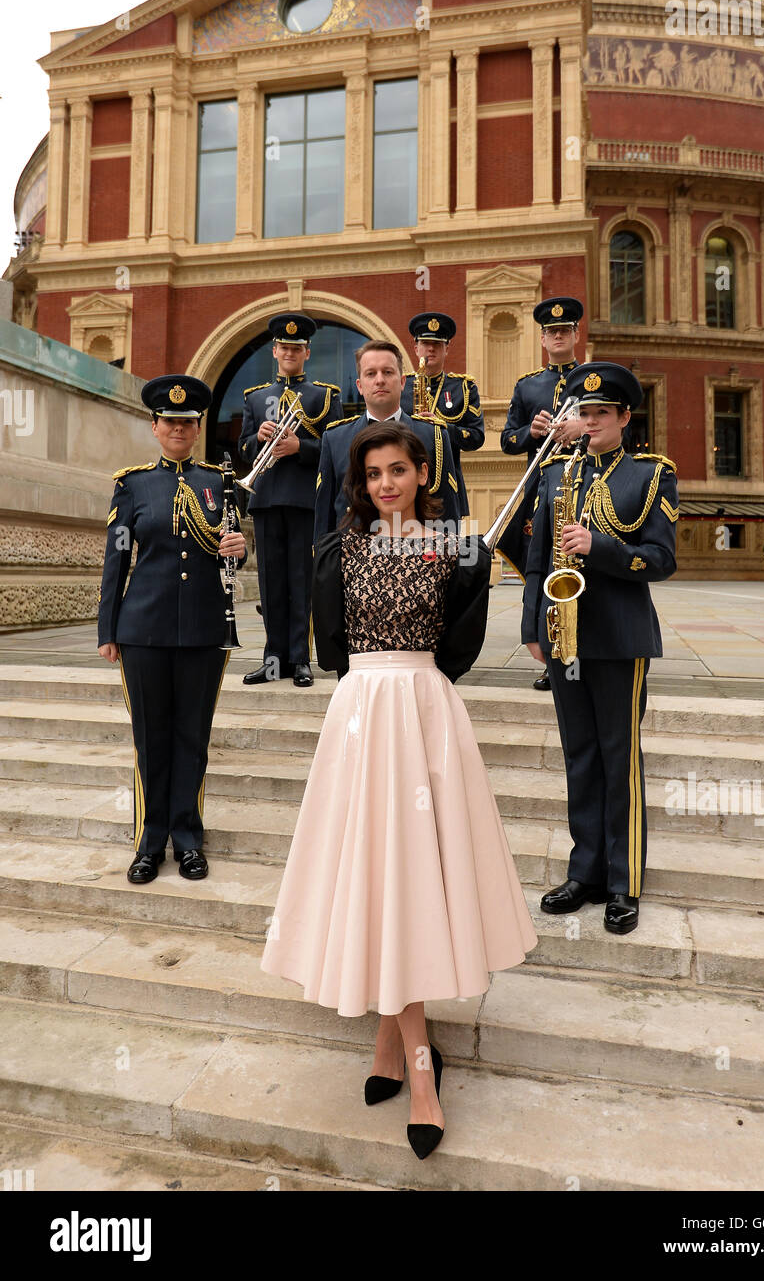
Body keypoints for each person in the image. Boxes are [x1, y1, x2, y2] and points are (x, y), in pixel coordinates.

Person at [261, 422, 536, 1159]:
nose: (385, 483)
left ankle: (411, 1064)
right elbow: (328, 649)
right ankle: (410, 1059)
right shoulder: (337, 549)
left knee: (414, 872)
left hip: (424, 712)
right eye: (373, 472)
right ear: (362, 480)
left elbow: (459, 648)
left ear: (423, 471)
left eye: (398, 470)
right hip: (359, 716)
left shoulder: (459, 547)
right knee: (380, 872)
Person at [521, 362, 678, 935]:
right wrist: (532, 628)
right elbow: (537, 561)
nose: (590, 422)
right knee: (579, 755)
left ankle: (622, 882)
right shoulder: (555, 473)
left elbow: (661, 560)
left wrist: (602, 546)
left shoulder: (650, 473)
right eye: (583, 414)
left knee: (618, 757)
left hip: (617, 635)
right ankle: (583, 870)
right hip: (563, 634)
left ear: (624, 417)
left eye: (601, 414)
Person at [97, 375, 247, 885]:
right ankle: (149, 841)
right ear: (155, 426)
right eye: (170, 421)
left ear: (198, 427)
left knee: (192, 739)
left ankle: (187, 840)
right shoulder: (133, 484)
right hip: (143, 630)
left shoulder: (219, 482)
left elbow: (231, 550)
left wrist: (239, 552)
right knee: (150, 740)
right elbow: (116, 560)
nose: (178, 428)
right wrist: (107, 628)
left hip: (205, 632)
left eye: (188, 422)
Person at [239, 313, 342, 687]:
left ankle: (299, 658)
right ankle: (272, 659)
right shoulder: (255, 397)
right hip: (265, 498)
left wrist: (300, 446)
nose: (290, 353)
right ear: (275, 351)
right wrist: (258, 440)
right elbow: (243, 446)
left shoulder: (323, 395)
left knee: (300, 581)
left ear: (307, 352)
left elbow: (333, 449)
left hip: (303, 501)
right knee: (271, 583)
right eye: (284, 348)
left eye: (297, 349)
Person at [499, 297, 584, 689]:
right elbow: (507, 441)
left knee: (576, 569)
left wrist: (582, 429)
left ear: (575, 334)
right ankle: (549, 657)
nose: (558, 336)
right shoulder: (528, 385)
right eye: (551, 332)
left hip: (586, 488)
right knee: (539, 571)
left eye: (564, 330)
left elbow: (623, 433)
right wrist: (530, 433)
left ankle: (578, 654)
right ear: (543, 338)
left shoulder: (594, 379)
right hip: (539, 492)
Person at [313, 339, 462, 541]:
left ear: (402, 382)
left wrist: (448, 561)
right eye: (371, 373)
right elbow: (325, 517)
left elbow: (447, 510)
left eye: (388, 372)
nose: (380, 380)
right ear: (360, 385)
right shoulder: (335, 438)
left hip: (416, 557)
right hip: (352, 561)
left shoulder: (433, 435)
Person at [399, 311, 485, 520]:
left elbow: (476, 437)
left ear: (447, 348)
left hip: (446, 489)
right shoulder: (400, 386)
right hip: (402, 486)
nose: (430, 348)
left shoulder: (463, 387)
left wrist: (444, 427)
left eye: (437, 344)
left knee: (445, 551)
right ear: (415, 347)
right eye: (426, 343)